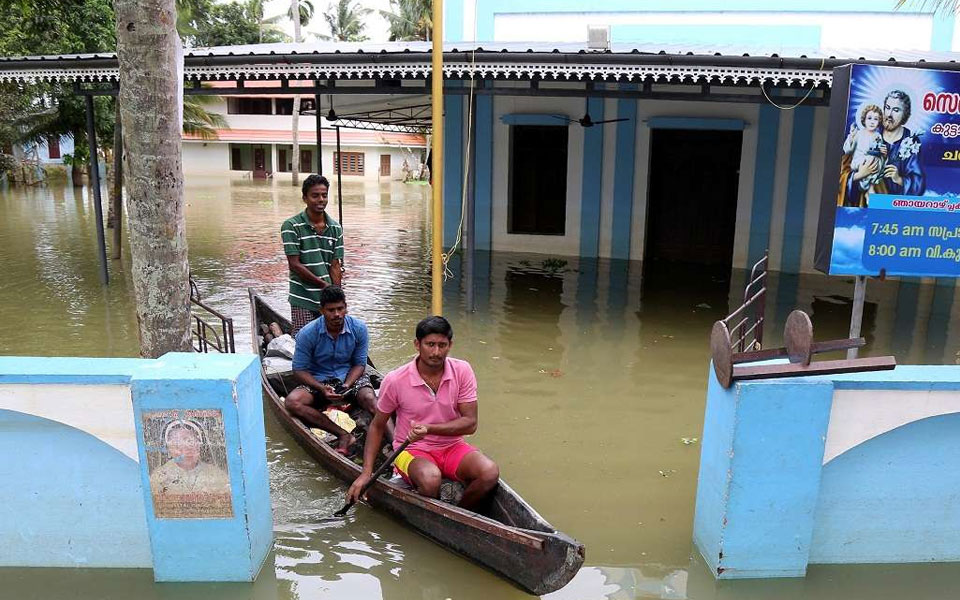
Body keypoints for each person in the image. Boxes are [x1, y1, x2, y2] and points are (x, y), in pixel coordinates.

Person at [346, 316, 500, 510]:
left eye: (442, 345)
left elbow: (470, 423)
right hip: (410, 449)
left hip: (452, 446)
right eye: (430, 344)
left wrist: (429, 428)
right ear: (417, 345)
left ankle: (460, 513)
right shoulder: (395, 380)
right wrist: (366, 473)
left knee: (489, 473)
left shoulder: (462, 370)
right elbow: (377, 426)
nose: (436, 352)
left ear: (450, 345)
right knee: (430, 480)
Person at [285, 285, 383, 454]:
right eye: (331, 310)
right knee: (292, 402)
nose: (337, 314)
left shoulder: (359, 329)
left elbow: (360, 364)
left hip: (349, 377)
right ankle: (343, 435)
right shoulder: (307, 333)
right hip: (319, 379)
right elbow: (299, 369)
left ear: (346, 308)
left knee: (371, 399)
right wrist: (321, 388)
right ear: (321, 310)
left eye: (340, 309)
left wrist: (347, 385)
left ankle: (398, 444)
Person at [839, 90, 925, 207]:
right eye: (887, 107)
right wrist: (860, 175)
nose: (889, 114)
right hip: (862, 205)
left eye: (896, 110)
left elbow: (918, 183)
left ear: (905, 114)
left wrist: (899, 179)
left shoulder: (910, 141)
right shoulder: (869, 133)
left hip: (892, 208)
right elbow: (842, 171)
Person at [281, 174, 344, 335]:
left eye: (324, 195)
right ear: (305, 198)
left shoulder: (335, 228)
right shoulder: (291, 226)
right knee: (304, 340)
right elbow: (294, 264)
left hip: (327, 298)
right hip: (303, 297)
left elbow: (335, 265)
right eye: (315, 195)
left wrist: (336, 295)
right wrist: (324, 285)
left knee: (331, 340)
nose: (320, 199)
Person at [149, 419, 231, 497]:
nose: (186, 450)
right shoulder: (159, 477)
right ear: (169, 450)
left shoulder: (216, 475)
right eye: (178, 445)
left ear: (199, 446)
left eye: (192, 443)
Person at [842, 104, 885, 191]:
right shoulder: (859, 133)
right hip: (859, 161)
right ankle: (866, 187)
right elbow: (848, 150)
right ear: (864, 120)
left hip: (872, 161)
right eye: (869, 118)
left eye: (875, 119)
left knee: (876, 162)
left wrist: (882, 151)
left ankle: (870, 186)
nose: (872, 122)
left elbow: (878, 151)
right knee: (869, 160)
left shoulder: (878, 136)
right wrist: (851, 137)